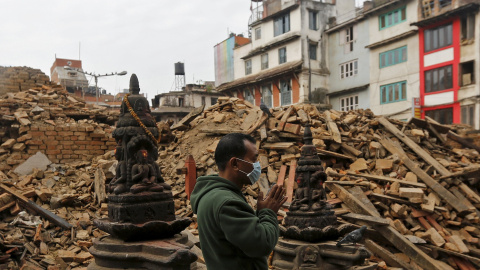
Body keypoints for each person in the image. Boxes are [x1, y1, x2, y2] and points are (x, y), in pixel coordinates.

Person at [191, 133, 287, 270]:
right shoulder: (226, 202)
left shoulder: (213, 194)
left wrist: (259, 213)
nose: (258, 165)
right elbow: (261, 245)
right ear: (235, 163)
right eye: (254, 159)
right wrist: (268, 212)